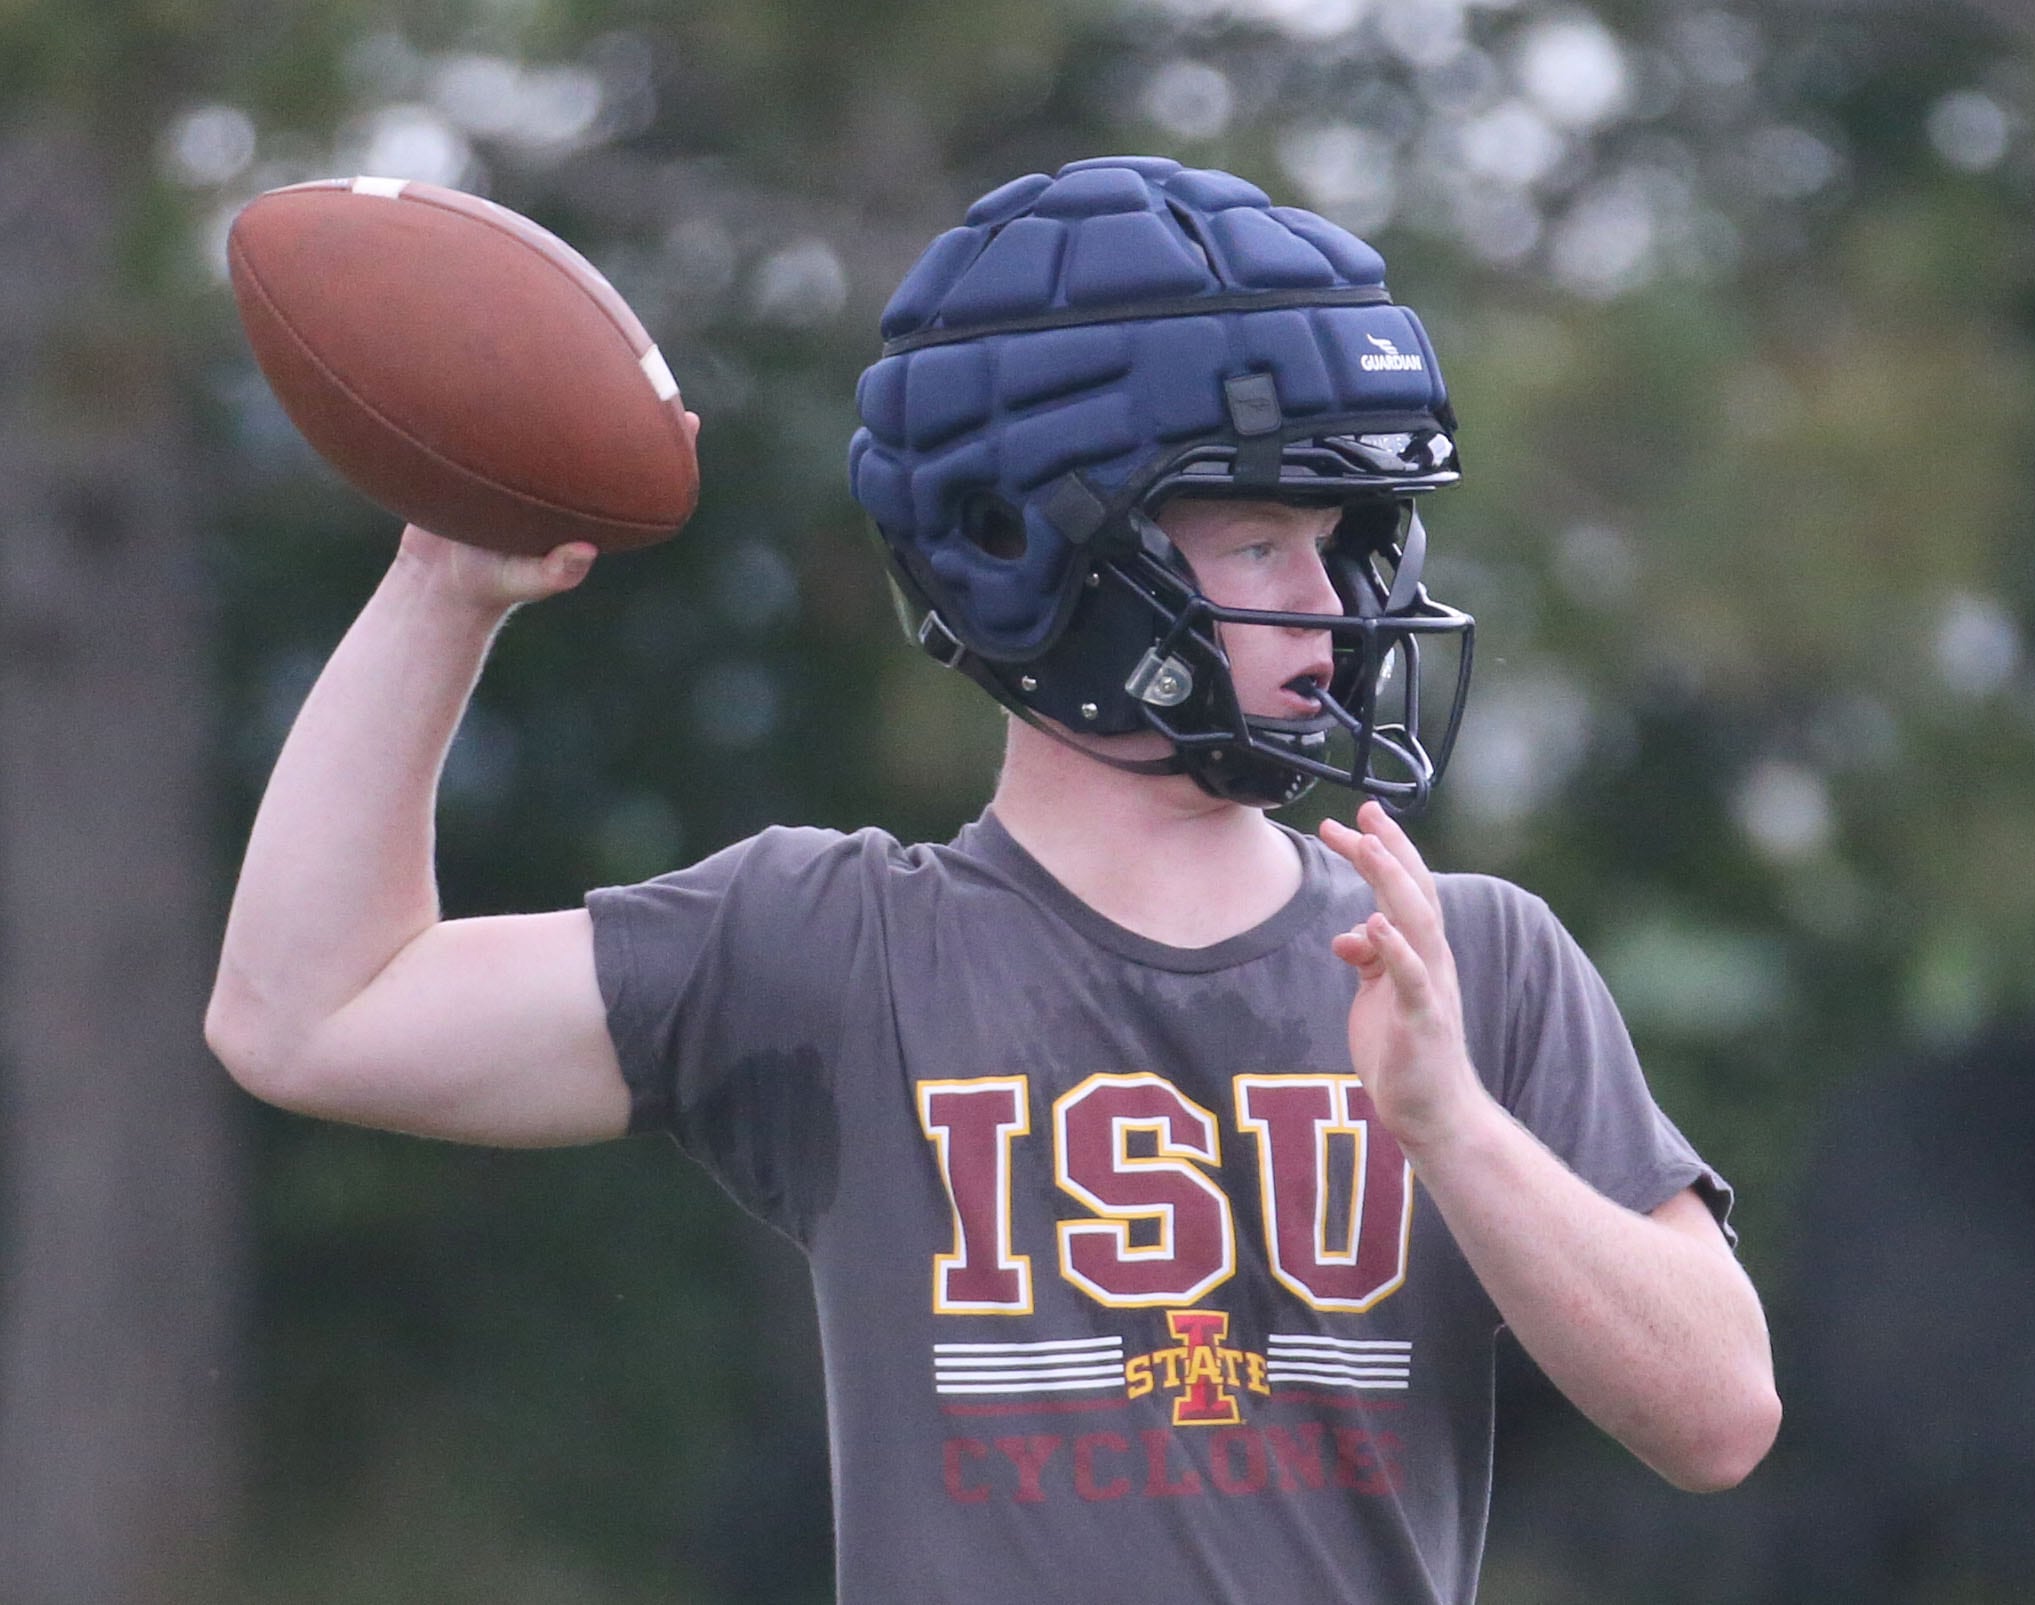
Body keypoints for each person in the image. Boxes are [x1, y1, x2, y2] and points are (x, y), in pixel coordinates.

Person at [207, 156, 1778, 1603]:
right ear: (1035, 556)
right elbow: (310, 1014)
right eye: (1252, 543)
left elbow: (1718, 1415)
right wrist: (444, 584)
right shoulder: (831, 948)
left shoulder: (1467, 956)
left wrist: (1452, 1127)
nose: (1330, 601)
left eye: (1339, 538)